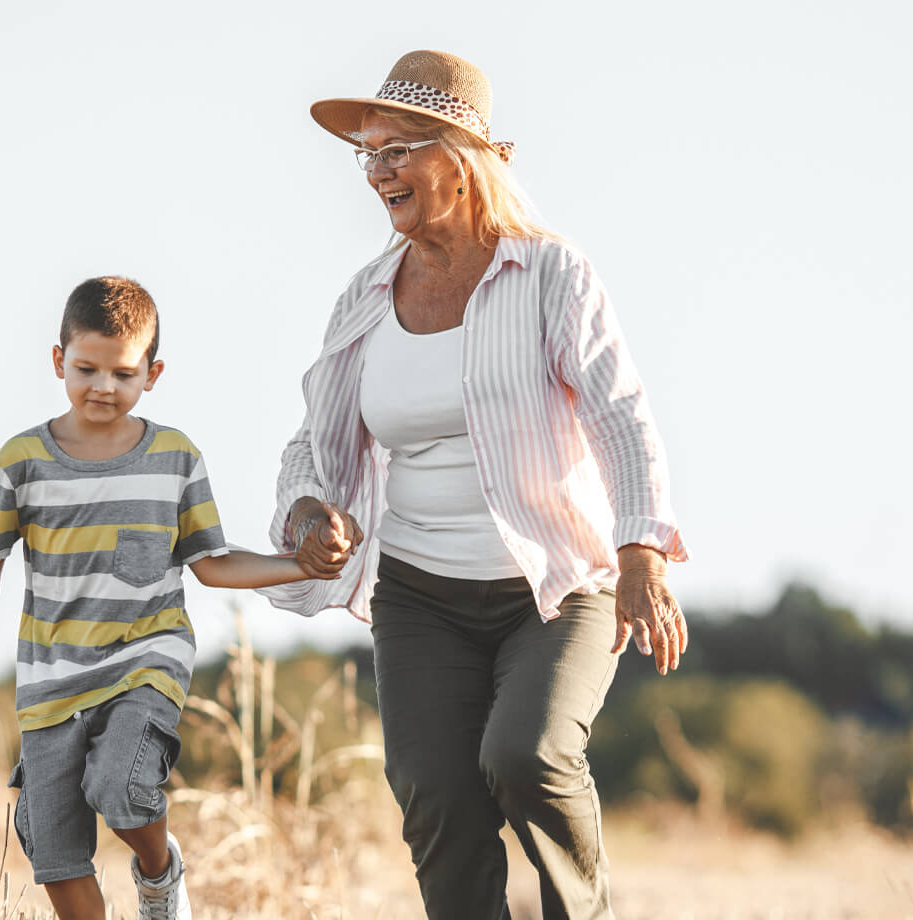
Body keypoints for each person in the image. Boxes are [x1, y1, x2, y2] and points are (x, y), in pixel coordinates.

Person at [261, 50, 693, 920]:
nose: (377, 170)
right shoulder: (365, 299)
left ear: (460, 157)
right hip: (420, 595)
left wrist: (641, 546)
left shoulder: (551, 276)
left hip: (559, 588)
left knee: (526, 757)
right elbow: (313, 442)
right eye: (368, 153)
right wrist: (308, 513)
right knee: (436, 795)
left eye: (397, 149)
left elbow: (621, 415)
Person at [0, 276, 338, 920]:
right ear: (58, 362)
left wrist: (293, 565)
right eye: (86, 369)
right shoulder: (20, 461)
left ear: (152, 374)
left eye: (122, 372)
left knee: (123, 786)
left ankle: (160, 876)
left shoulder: (175, 458)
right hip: (50, 682)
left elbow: (212, 566)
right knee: (51, 846)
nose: (103, 386)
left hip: (145, 662)